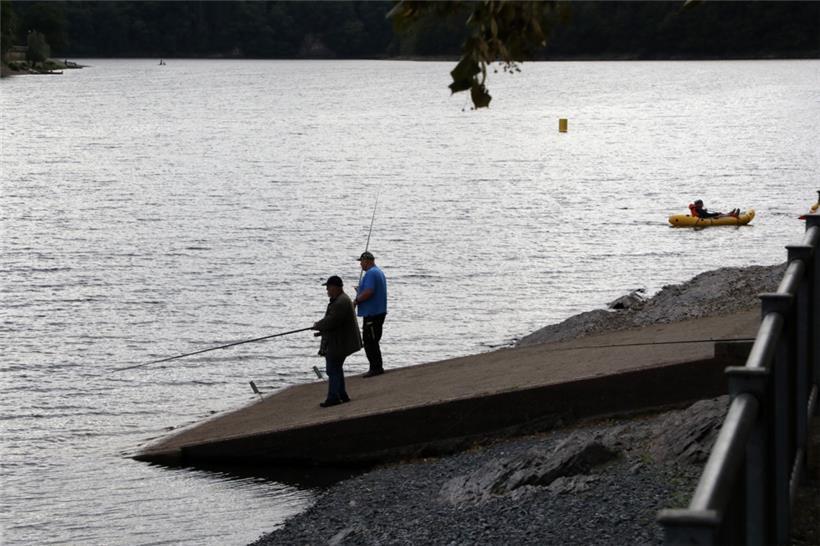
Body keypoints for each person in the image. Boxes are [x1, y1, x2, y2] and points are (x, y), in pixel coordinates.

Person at [312, 275, 362, 407]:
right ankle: (342, 395)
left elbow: (332, 321)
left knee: (332, 369)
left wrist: (318, 325)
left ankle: (333, 397)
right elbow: (335, 322)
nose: (327, 291)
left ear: (334, 287)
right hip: (341, 340)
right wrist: (321, 330)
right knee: (336, 368)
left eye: (328, 288)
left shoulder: (340, 302)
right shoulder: (342, 300)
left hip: (339, 343)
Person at [354, 251, 387, 377]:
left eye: (361, 262)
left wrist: (357, 300)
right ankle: (376, 366)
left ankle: (376, 367)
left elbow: (369, 291)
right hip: (378, 311)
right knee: (373, 340)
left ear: (367, 261)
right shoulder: (378, 272)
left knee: (370, 341)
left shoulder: (371, 274)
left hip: (372, 313)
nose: (360, 265)